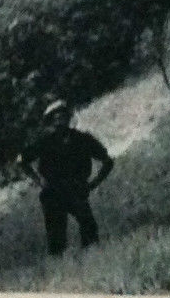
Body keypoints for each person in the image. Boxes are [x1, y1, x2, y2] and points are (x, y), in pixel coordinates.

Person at [19, 101, 114, 255]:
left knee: (89, 229)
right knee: (56, 238)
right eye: (56, 117)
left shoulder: (82, 139)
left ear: (68, 118)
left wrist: (93, 184)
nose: (60, 120)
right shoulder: (45, 141)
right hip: (53, 192)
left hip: (77, 188)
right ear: (51, 121)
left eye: (63, 116)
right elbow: (21, 160)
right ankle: (61, 266)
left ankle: (92, 260)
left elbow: (108, 161)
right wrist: (39, 180)